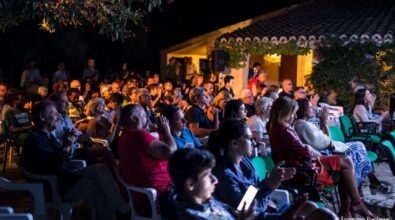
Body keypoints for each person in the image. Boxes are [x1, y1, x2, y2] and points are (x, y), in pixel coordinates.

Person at [267, 96, 377, 218]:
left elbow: (308, 148)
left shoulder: (276, 127)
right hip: (304, 172)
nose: (295, 116)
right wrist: (310, 148)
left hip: (302, 166)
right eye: (292, 113)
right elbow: (307, 152)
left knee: (348, 161)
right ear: (285, 113)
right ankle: (354, 205)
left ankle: (351, 208)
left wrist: (310, 146)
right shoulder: (285, 130)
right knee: (348, 163)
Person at [20, 101, 129, 220]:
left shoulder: (47, 135)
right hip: (56, 185)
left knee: (100, 168)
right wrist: (66, 145)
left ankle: (121, 207)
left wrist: (70, 143)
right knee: (97, 186)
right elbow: (53, 166)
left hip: (66, 176)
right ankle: (118, 211)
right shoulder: (34, 140)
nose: (59, 116)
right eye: (55, 113)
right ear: (42, 117)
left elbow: (64, 157)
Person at [212, 119, 337, 219]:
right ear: (234, 143)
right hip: (257, 215)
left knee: (311, 206)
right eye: (248, 138)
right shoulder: (224, 174)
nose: (253, 141)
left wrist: (272, 181)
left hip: (266, 207)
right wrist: (269, 186)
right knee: (324, 216)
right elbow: (246, 210)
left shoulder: (244, 161)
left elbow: (255, 189)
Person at [294, 98, 389, 193]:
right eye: (310, 108)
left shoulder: (305, 124)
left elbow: (326, 139)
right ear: (303, 110)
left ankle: (365, 186)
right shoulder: (304, 126)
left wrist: (323, 121)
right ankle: (361, 187)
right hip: (323, 155)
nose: (313, 109)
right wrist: (324, 121)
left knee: (359, 150)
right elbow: (328, 142)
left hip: (325, 151)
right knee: (358, 150)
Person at [118, 104, 177, 216]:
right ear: (133, 117)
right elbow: (171, 152)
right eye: (144, 115)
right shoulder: (138, 135)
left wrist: (160, 132)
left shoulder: (125, 135)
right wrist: (166, 131)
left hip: (145, 195)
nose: (147, 119)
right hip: (158, 196)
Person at [168, 148, 255, 220]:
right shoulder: (189, 217)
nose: (215, 180)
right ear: (190, 184)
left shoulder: (206, 200)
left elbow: (231, 213)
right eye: (207, 175)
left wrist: (240, 214)